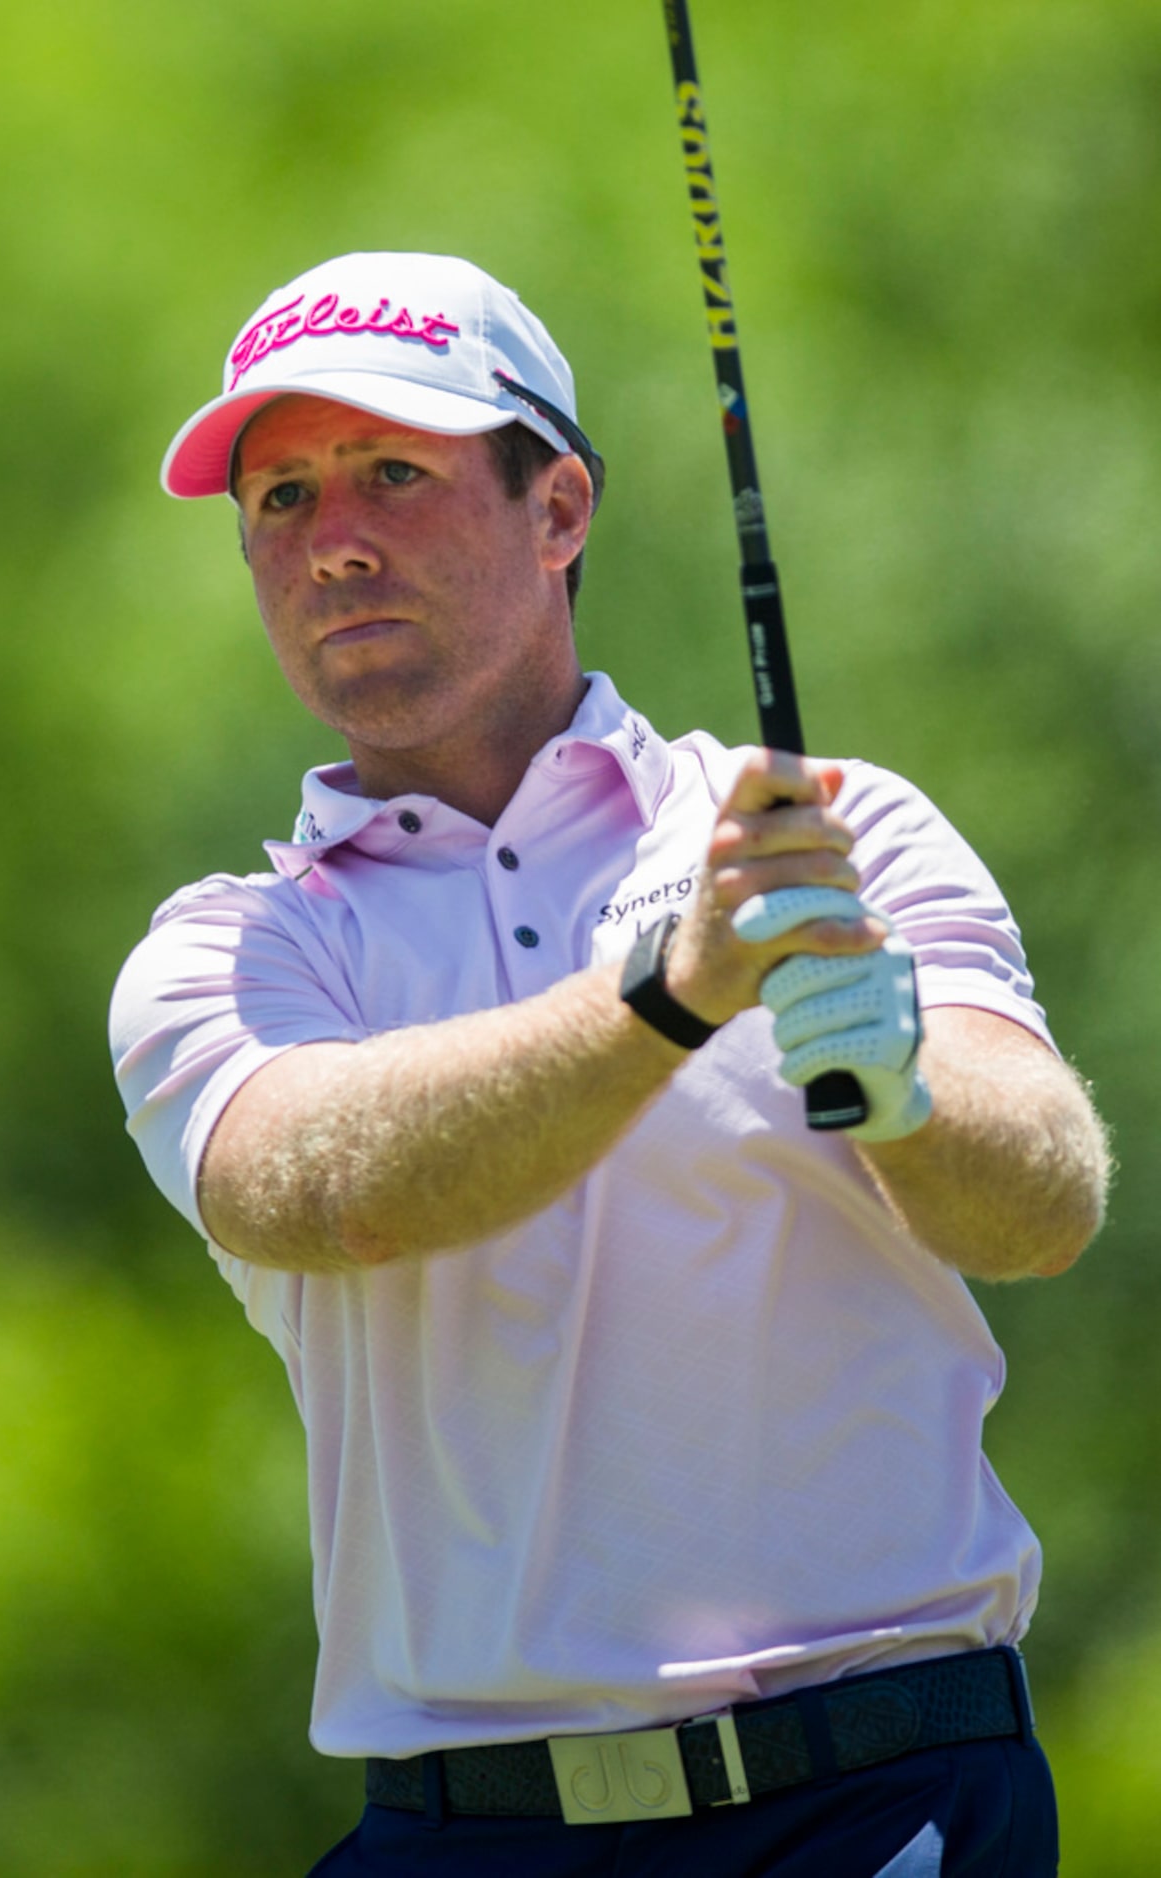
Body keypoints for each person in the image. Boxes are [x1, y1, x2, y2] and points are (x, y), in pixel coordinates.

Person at [109, 250, 1110, 1877]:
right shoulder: (237, 944)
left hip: (871, 1795)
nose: (331, 538)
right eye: (279, 496)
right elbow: (328, 1187)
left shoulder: (819, 829)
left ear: (557, 505)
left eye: (392, 473)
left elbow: (1041, 1208)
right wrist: (666, 994)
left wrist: (906, 1080)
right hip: (458, 1829)